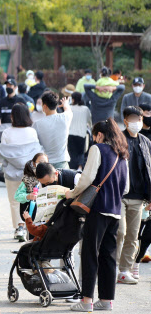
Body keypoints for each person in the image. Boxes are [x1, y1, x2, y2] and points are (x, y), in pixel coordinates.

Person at [66, 118, 129, 312]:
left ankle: (86, 301)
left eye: (94, 136)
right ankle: (107, 300)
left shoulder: (97, 149)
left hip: (98, 209)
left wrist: (72, 193)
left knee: (90, 254)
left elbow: (86, 178)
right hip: (116, 211)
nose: (94, 139)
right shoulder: (123, 154)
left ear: (99, 135)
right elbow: (125, 188)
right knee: (108, 256)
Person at [0, 104, 44, 241]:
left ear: (12, 117)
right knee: (30, 198)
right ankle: (29, 225)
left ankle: (19, 227)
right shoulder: (32, 132)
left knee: (14, 200)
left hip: (11, 173)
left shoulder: (6, 132)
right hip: (29, 173)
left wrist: (6, 165)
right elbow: (37, 153)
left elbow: (1, 154)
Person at [116, 106, 151, 285]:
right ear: (125, 121)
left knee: (133, 234)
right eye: (132, 119)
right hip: (120, 194)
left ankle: (124, 270)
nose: (136, 122)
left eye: (138, 119)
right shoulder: (118, 139)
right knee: (120, 232)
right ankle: (113, 265)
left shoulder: (146, 142)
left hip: (139, 196)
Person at [33, 92, 73, 169]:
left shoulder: (37, 124)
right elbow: (68, 110)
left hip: (45, 164)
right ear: (56, 105)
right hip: (62, 163)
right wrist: (65, 103)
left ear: (44, 106)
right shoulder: (65, 118)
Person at [13, 153, 48, 224]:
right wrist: (28, 196)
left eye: (45, 163)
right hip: (33, 216)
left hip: (47, 216)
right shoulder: (27, 179)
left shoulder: (51, 177)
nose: (42, 165)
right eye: (40, 162)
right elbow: (17, 196)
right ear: (34, 164)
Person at [68, 92, 92, 170]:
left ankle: (72, 168)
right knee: (81, 152)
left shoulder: (69, 108)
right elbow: (89, 120)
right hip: (82, 134)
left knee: (72, 153)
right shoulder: (85, 109)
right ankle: (80, 167)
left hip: (70, 133)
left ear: (73, 99)